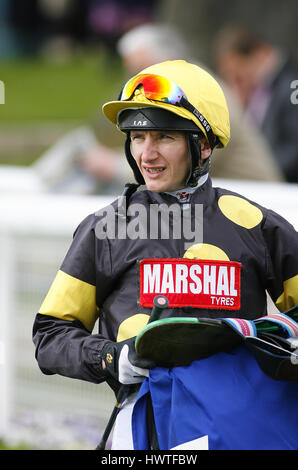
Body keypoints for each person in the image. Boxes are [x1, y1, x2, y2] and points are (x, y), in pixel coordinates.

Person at [32, 60, 298, 449]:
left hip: (238, 430)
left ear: (203, 145)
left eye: (163, 137)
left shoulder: (258, 226)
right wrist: (112, 358)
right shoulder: (103, 229)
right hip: (140, 429)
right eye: (138, 138)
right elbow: (50, 336)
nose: (147, 154)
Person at [214, 24, 298, 183]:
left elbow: (294, 148)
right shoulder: (262, 88)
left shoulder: (292, 85)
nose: (237, 82)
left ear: (259, 54)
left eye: (239, 74)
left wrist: (260, 169)